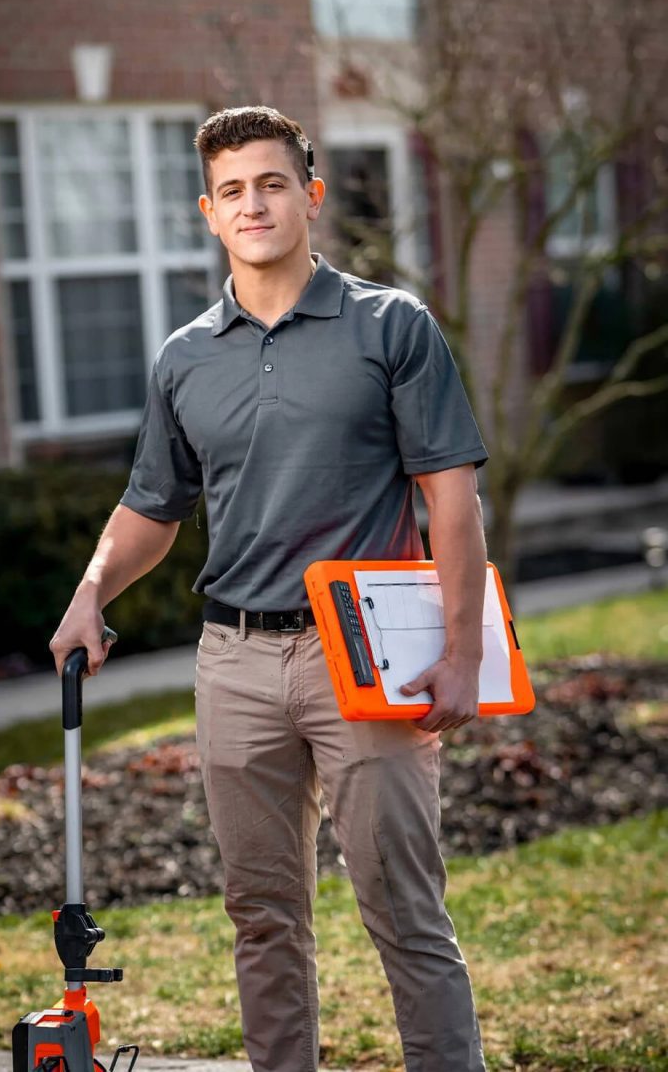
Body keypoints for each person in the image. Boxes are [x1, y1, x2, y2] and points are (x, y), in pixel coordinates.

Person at [50, 105, 489, 1072]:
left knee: (404, 910)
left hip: (366, 658)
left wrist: (461, 656)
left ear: (311, 196)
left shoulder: (392, 326)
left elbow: (451, 501)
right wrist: (93, 592)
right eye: (234, 190)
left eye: (274, 182)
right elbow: (151, 508)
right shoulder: (185, 356)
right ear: (209, 212)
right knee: (262, 919)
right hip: (234, 662)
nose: (255, 204)